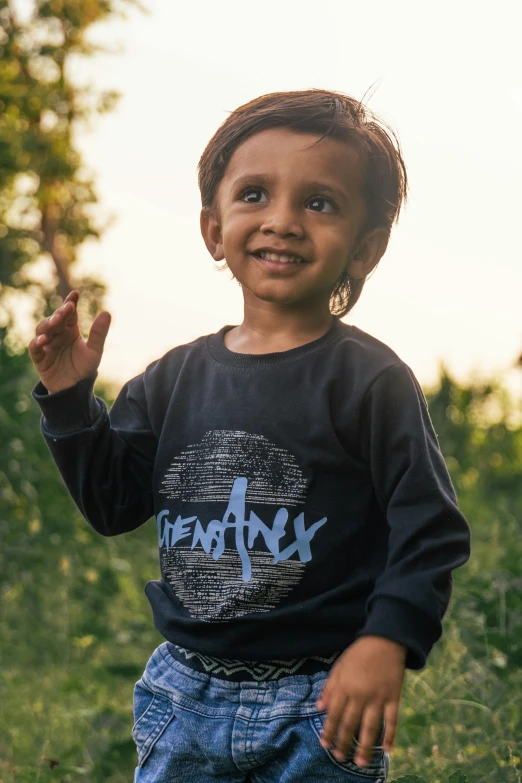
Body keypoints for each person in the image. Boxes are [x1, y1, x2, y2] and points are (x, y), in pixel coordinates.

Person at [29, 89, 471, 783]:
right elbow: (113, 504)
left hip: (320, 700)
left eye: (319, 203)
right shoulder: (173, 378)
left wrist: (386, 639)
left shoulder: (371, 382)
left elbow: (429, 528)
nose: (284, 222)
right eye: (256, 194)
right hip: (184, 689)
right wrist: (67, 398)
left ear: (366, 246)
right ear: (214, 228)